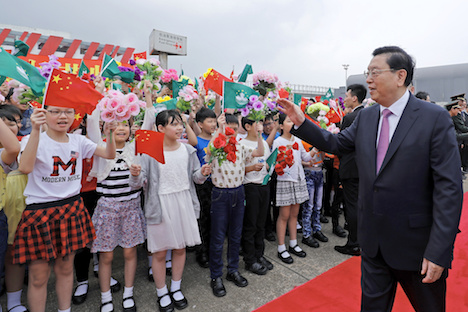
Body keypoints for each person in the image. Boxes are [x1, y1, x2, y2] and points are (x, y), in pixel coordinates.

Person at [277, 46, 462, 311]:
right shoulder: (366, 117)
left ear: (400, 76)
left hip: (418, 248)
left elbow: (449, 189)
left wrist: (439, 250)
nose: (368, 80)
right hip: (374, 245)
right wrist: (301, 122)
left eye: (375, 72)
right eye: (367, 72)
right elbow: (335, 142)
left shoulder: (434, 118)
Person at [14, 104, 116, 312]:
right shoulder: (32, 139)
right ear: (44, 113)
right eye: (55, 111)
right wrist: (34, 129)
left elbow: (108, 154)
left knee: (65, 268)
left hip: (71, 208)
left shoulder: (79, 140)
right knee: (39, 276)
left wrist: (110, 134)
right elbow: (24, 168)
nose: (63, 116)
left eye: (68, 112)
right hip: (40, 211)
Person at [129, 110, 211, 312]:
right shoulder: (149, 153)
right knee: (158, 252)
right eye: (174, 124)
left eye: (180, 124)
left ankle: (176, 287)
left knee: (180, 248)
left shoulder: (187, 151)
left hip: (184, 202)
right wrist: (135, 175)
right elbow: (137, 184)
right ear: (160, 128)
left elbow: (195, 178)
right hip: (160, 206)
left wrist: (203, 172)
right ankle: (161, 292)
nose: (180, 128)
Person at [87, 81, 154, 312]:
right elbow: (92, 120)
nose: (121, 127)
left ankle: (128, 293)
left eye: (126, 123)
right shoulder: (99, 145)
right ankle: (106, 297)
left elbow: (150, 121)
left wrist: (147, 98)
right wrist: (100, 96)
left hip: (131, 208)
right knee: (105, 257)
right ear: (108, 126)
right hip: (107, 208)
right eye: (116, 123)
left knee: (129, 252)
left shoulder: (137, 148)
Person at [206, 113, 264, 298]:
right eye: (227, 127)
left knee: (235, 235)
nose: (231, 131)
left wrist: (260, 135)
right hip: (220, 194)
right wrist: (218, 130)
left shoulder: (241, 146)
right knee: (217, 238)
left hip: (239, 193)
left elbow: (260, 153)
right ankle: (216, 276)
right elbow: (208, 152)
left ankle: (232, 270)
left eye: (233, 127)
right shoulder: (217, 147)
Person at [272, 114, 313, 264]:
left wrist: (316, 148)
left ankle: (293, 244)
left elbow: (306, 158)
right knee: (284, 215)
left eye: (293, 121)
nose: (292, 123)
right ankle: (281, 247)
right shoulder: (277, 142)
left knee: (295, 215)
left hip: (299, 180)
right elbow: (273, 163)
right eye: (288, 121)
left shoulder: (298, 141)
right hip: (285, 182)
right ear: (281, 126)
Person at [335, 84, 366, 256]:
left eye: (346, 95)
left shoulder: (350, 118)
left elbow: (341, 145)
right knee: (361, 206)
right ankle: (361, 239)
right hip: (364, 168)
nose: (345, 98)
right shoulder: (369, 115)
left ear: (354, 98)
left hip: (351, 168)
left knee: (352, 206)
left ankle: (354, 243)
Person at [239, 117, 273, 275]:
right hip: (249, 187)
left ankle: (259, 255)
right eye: (257, 123)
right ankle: (250, 259)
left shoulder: (264, 143)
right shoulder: (241, 144)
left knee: (261, 224)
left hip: (264, 185)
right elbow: (237, 170)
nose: (261, 126)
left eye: (261, 122)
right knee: (250, 224)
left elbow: (269, 162)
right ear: (247, 126)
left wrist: (267, 166)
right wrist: (251, 168)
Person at [0, 107, 21, 312]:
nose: (7, 128)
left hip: (18, 207)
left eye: (12, 123)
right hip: (4, 208)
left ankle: (14, 302)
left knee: (13, 253)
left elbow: (12, 148)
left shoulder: (22, 146)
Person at [193, 107, 217, 268]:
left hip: (218, 183)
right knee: (203, 218)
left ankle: (213, 249)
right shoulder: (196, 142)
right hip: (203, 185)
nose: (213, 124)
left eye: (214, 121)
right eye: (210, 121)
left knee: (216, 218)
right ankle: (201, 251)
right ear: (200, 124)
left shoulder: (218, 139)